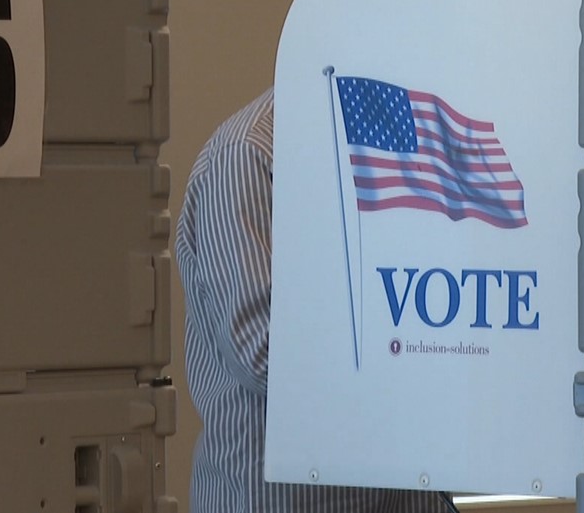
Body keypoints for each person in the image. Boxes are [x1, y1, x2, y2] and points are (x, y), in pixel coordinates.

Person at [176, 87, 449, 513]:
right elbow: (263, 352)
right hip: (283, 501)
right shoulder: (248, 153)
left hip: (409, 492)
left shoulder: (407, 132)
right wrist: (419, 349)